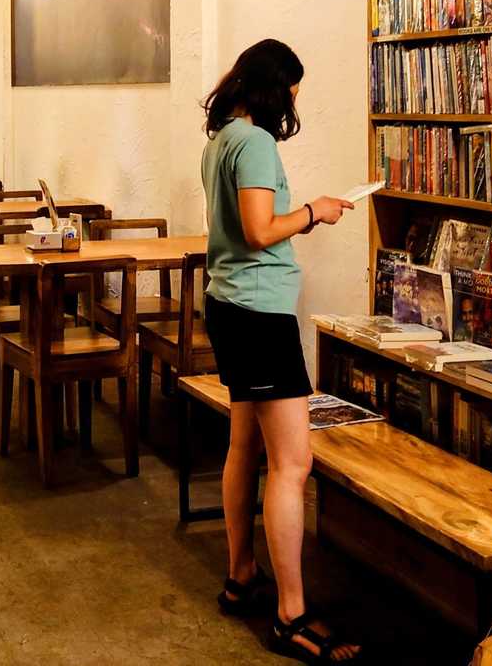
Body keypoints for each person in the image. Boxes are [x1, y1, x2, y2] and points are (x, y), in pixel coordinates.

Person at [200, 39, 362, 663]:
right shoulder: (256, 144)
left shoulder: (222, 140)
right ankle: (292, 616)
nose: (294, 103)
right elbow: (259, 230)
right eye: (292, 91)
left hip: (230, 305)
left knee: (244, 445)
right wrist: (315, 211)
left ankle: (241, 575)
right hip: (258, 314)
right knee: (294, 464)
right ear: (273, 89)